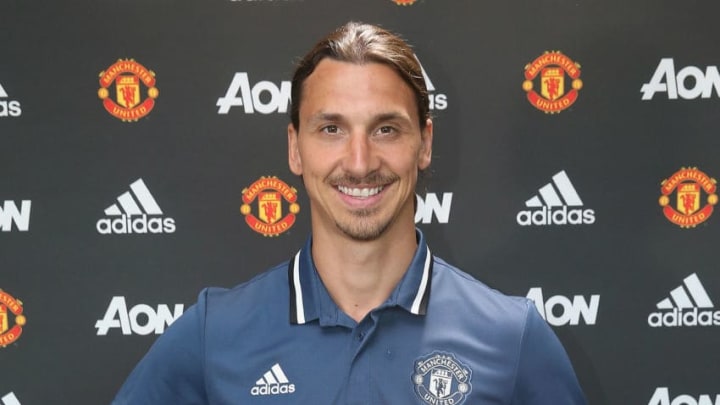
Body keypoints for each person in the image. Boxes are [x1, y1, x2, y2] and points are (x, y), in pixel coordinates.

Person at [111, 21, 587, 404]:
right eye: (331, 129)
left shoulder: (513, 339)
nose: (360, 163)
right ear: (295, 149)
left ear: (425, 143)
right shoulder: (215, 332)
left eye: (386, 129)